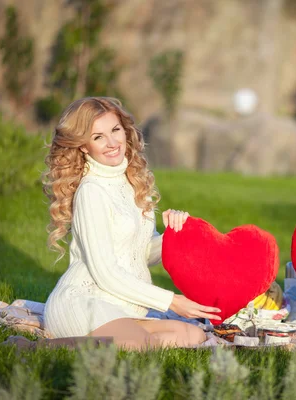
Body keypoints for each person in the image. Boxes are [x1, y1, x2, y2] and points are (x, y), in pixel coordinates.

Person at [41, 97, 221, 350]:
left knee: (193, 336)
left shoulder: (133, 182)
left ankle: (113, 340)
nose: (112, 143)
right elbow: (106, 273)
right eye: (98, 137)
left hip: (122, 307)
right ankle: (41, 347)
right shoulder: (92, 191)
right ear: (83, 146)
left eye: (115, 130)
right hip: (83, 302)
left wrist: (174, 236)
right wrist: (171, 301)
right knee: (140, 344)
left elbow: (140, 255)